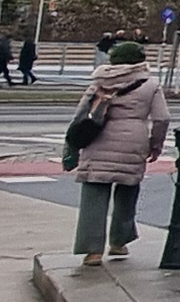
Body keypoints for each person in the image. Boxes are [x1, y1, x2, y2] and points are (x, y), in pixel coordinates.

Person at [70, 40, 171, 265]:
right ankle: (119, 241)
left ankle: (92, 251)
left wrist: (74, 141)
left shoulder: (100, 81)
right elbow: (162, 118)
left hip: (98, 137)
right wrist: (156, 145)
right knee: (127, 192)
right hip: (134, 140)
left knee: (94, 193)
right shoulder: (150, 84)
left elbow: (81, 112)